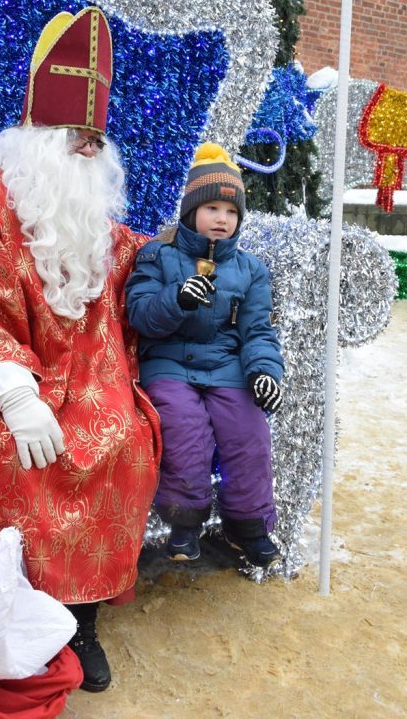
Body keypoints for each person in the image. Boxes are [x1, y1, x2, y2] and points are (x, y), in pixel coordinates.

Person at [0, 6, 161, 693]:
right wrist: (14, 394)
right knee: (20, 456)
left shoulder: (88, 217)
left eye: (96, 138)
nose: (88, 149)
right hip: (11, 385)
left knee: (124, 437)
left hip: (94, 381)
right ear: (36, 136)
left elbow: (129, 260)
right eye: (74, 136)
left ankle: (82, 618)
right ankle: (16, 612)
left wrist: (186, 255)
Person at [125, 142, 284, 569]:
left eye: (231, 212)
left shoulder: (250, 269)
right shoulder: (158, 255)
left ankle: (247, 525)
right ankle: (185, 520)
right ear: (191, 210)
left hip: (226, 366)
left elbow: (257, 330)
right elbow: (140, 315)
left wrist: (264, 372)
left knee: (248, 430)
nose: (221, 218)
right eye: (212, 207)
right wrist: (177, 299)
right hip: (170, 364)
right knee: (184, 427)